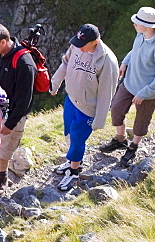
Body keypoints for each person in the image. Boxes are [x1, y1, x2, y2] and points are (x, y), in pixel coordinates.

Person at [50, 23, 120, 190]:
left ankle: (74, 172)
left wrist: (99, 120)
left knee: (77, 139)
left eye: (83, 44)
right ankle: (71, 163)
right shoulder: (76, 46)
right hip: (71, 99)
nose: (78, 47)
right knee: (68, 132)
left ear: (95, 42)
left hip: (87, 107)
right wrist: (55, 82)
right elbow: (66, 63)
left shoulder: (107, 61)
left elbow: (106, 92)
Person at [100, 7, 155, 165]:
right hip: (129, 82)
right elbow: (134, 51)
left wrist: (144, 93)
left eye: (137, 22)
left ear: (148, 26)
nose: (134, 24)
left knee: (141, 122)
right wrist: (125, 62)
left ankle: (133, 147)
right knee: (117, 109)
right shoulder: (141, 34)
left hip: (147, 91)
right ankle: (121, 139)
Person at [0, 22, 36, 189]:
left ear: (3, 42)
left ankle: (1, 180)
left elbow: (24, 98)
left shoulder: (24, 63)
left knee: (4, 147)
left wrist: (10, 123)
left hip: (12, 112)